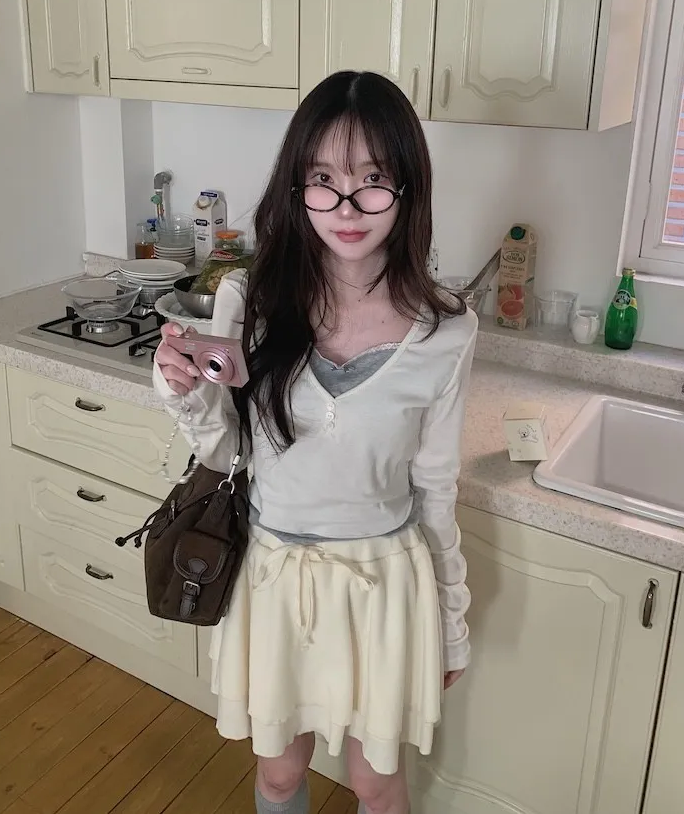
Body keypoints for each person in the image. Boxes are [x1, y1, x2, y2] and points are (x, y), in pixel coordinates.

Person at [154, 71, 477, 814]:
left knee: (376, 783)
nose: (347, 207)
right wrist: (184, 389)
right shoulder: (251, 300)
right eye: (324, 180)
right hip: (275, 576)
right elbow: (225, 450)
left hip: (384, 584)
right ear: (297, 188)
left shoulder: (447, 329)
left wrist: (451, 624)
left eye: (373, 180)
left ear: (407, 188)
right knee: (278, 775)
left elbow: (435, 489)